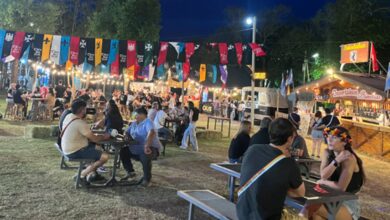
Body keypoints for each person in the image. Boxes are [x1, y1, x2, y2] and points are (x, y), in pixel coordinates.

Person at [236, 118, 305, 220]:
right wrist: (282, 187)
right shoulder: (289, 163)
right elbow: (300, 193)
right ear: (290, 139)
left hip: (243, 214)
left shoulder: (252, 150)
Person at [310, 126, 365, 220]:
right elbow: (323, 175)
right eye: (328, 136)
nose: (329, 139)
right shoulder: (327, 152)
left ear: (344, 142)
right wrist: (337, 160)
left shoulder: (349, 159)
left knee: (310, 208)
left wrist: (323, 182)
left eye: (334, 137)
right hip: (329, 198)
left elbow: (341, 188)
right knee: (314, 215)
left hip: (347, 203)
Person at [61, 99, 111, 184]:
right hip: (75, 151)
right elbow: (94, 139)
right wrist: (104, 137)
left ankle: (92, 173)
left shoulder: (69, 116)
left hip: (67, 148)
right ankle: (81, 175)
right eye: (85, 108)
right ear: (82, 110)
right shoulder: (79, 123)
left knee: (98, 148)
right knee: (105, 157)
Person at [121, 107, 162, 187]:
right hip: (136, 148)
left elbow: (151, 132)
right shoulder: (134, 123)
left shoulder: (148, 122)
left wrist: (147, 145)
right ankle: (130, 172)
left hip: (151, 148)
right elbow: (126, 131)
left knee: (145, 155)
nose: (134, 116)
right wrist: (126, 135)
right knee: (123, 151)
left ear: (142, 114)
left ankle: (147, 179)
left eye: (135, 114)